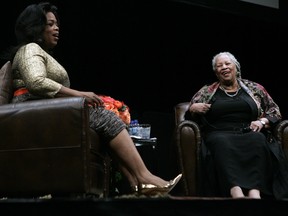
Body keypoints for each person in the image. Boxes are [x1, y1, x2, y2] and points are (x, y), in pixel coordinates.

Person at [3, 2, 182, 196]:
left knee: (103, 122)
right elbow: (36, 82)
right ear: (36, 27)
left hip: (44, 109)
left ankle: (138, 186)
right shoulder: (29, 48)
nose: (56, 29)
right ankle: (145, 176)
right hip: (33, 109)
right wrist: (80, 95)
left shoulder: (40, 53)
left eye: (57, 24)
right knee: (105, 117)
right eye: (50, 24)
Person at [187, 51, 287, 199]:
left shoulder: (255, 88)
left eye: (227, 64)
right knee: (222, 143)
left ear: (236, 67)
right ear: (216, 72)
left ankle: (255, 191)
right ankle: (235, 191)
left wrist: (262, 121)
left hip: (249, 131)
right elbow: (190, 111)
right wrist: (193, 108)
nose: (224, 67)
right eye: (219, 66)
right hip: (219, 132)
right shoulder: (207, 91)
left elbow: (274, 111)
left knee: (258, 140)